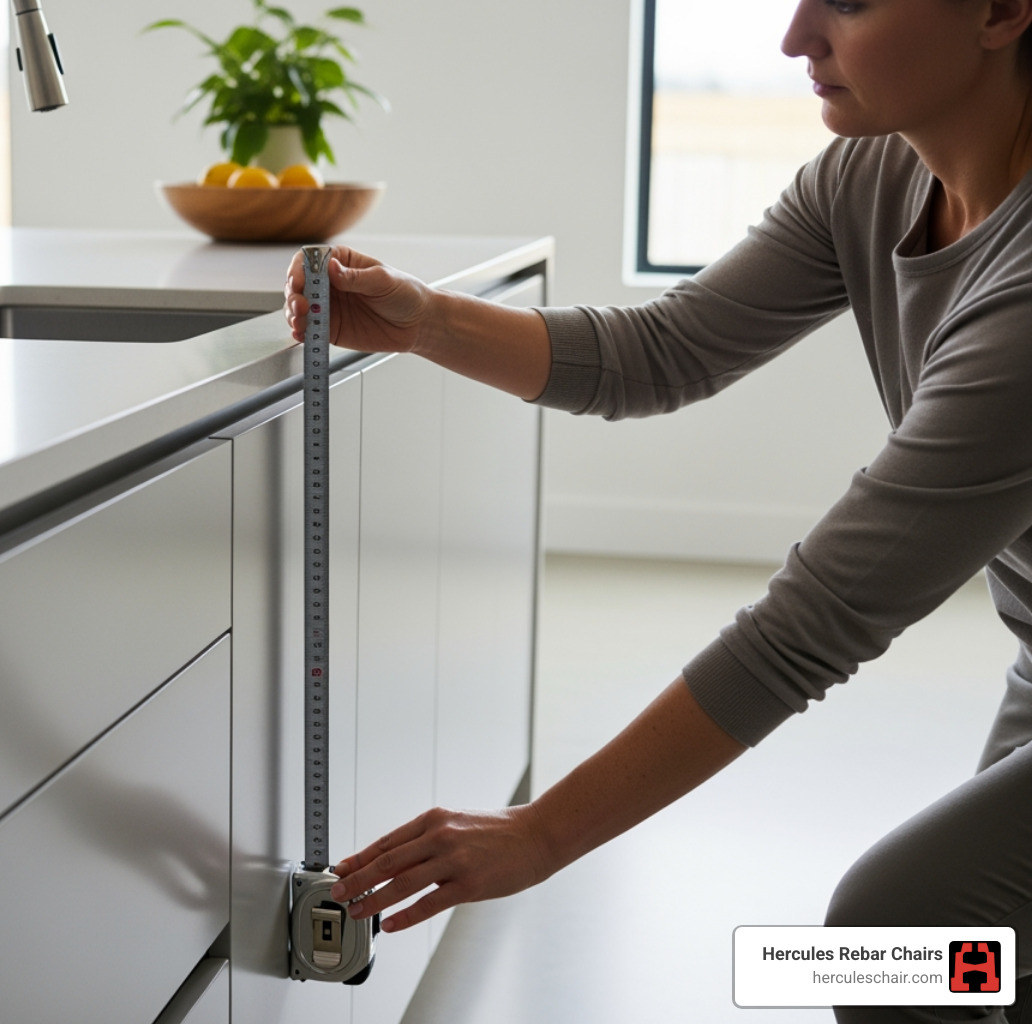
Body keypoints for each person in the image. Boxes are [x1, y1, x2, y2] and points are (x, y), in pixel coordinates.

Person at [283, 0, 1032, 1020]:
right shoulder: (875, 175)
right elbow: (665, 352)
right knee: (986, 973)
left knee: (894, 935)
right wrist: (426, 322)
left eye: (850, 4)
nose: (795, 38)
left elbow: (814, 623)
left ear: (999, 13)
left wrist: (542, 832)